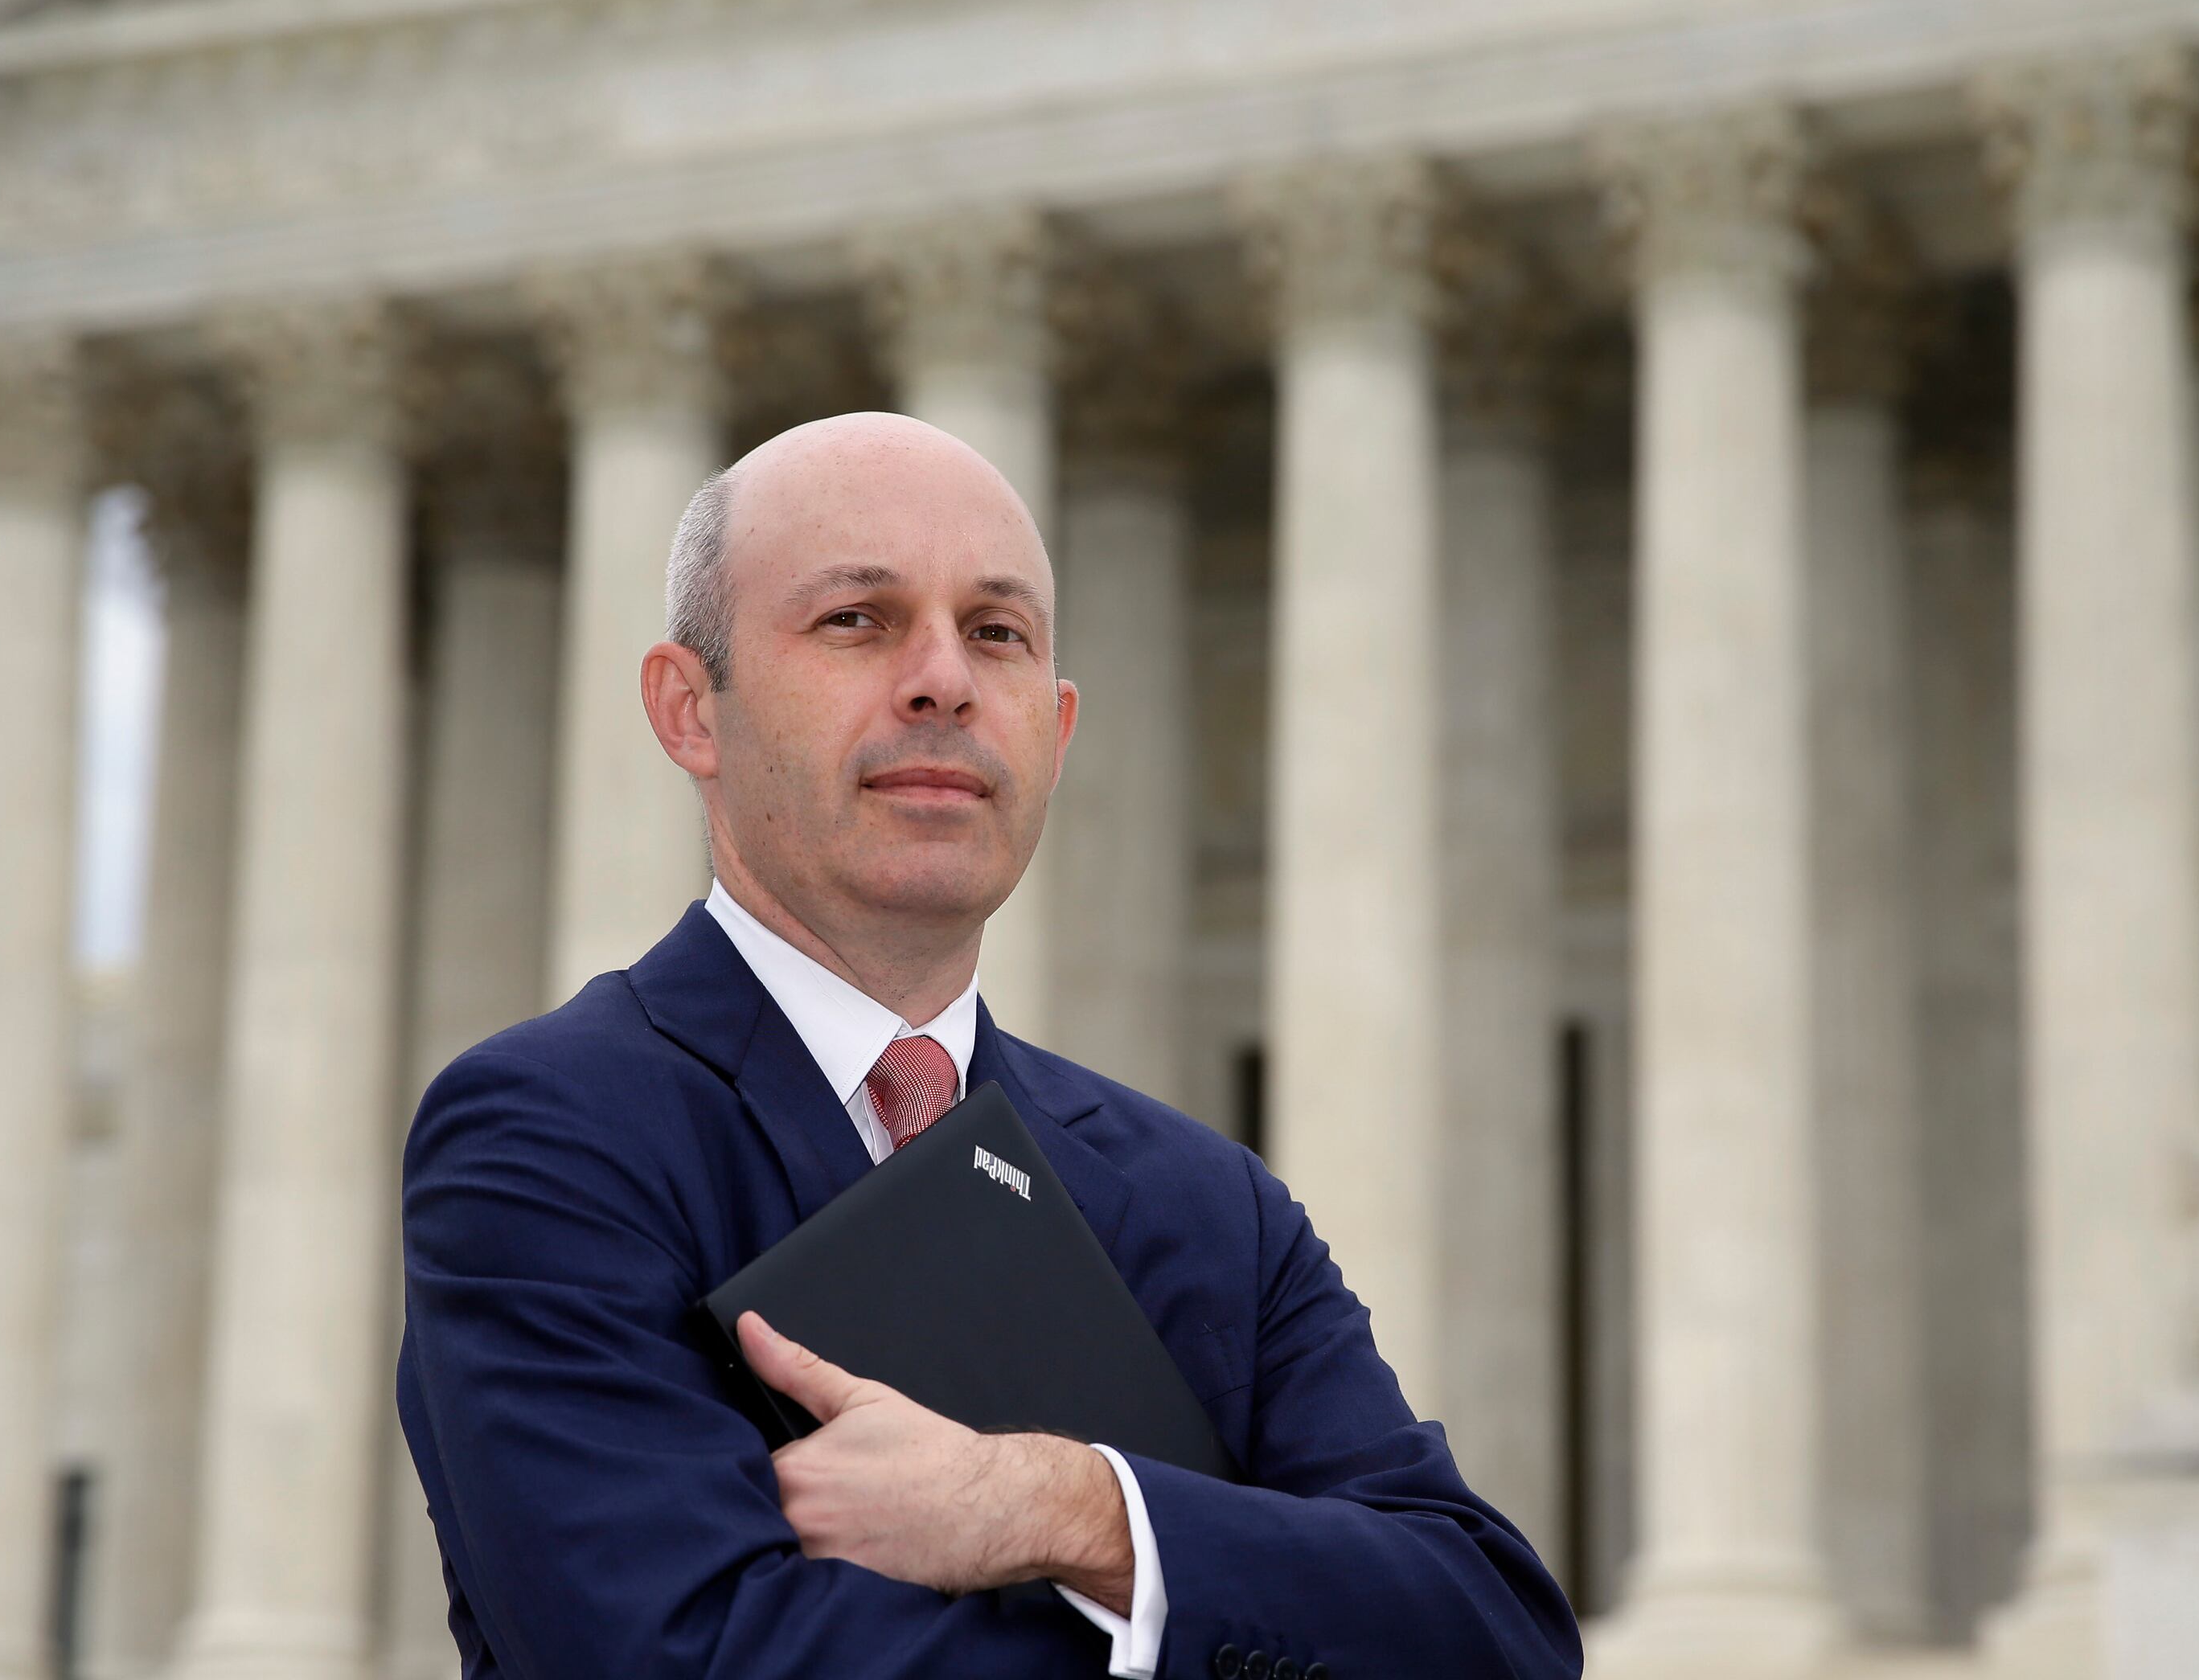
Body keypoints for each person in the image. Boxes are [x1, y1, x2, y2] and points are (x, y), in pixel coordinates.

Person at [394, 412, 1580, 1678]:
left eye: (997, 633)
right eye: (858, 618)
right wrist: (1233, 1598)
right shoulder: (545, 1140)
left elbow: (1497, 1633)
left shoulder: (1210, 1207)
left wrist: (1050, 1506)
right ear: (691, 711)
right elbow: (692, 1657)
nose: (943, 680)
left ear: (1056, 735)